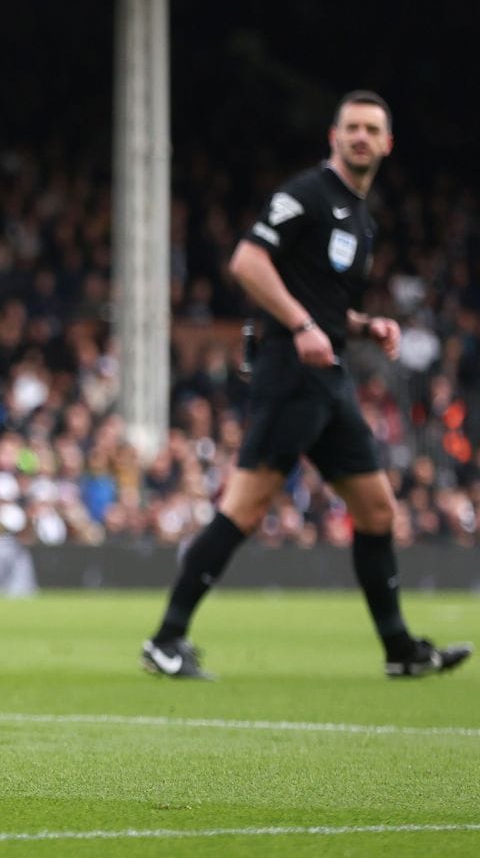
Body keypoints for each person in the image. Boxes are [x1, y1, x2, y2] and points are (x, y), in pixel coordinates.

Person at [141, 91, 470, 680]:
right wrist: (299, 326)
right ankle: (166, 640)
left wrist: (366, 326)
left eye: (373, 129)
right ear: (333, 136)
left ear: (388, 143)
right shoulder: (307, 195)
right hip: (291, 373)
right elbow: (247, 262)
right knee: (245, 507)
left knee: (376, 510)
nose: (362, 137)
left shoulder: (360, 218)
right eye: (352, 128)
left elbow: (319, 302)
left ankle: (400, 651)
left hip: (329, 377)